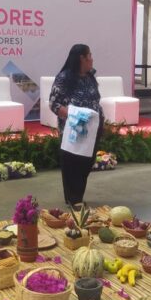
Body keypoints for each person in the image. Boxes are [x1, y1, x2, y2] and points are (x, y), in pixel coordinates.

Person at [49, 44, 103, 205]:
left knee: (87, 162)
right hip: (73, 129)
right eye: (90, 56)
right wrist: (77, 116)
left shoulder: (90, 76)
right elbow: (54, 104)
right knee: (72, 164)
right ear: (82, 58)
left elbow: (96, 99)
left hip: (92, 128)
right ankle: (73, 199)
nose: (92, 59)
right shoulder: (64, 77)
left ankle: (78, 195)